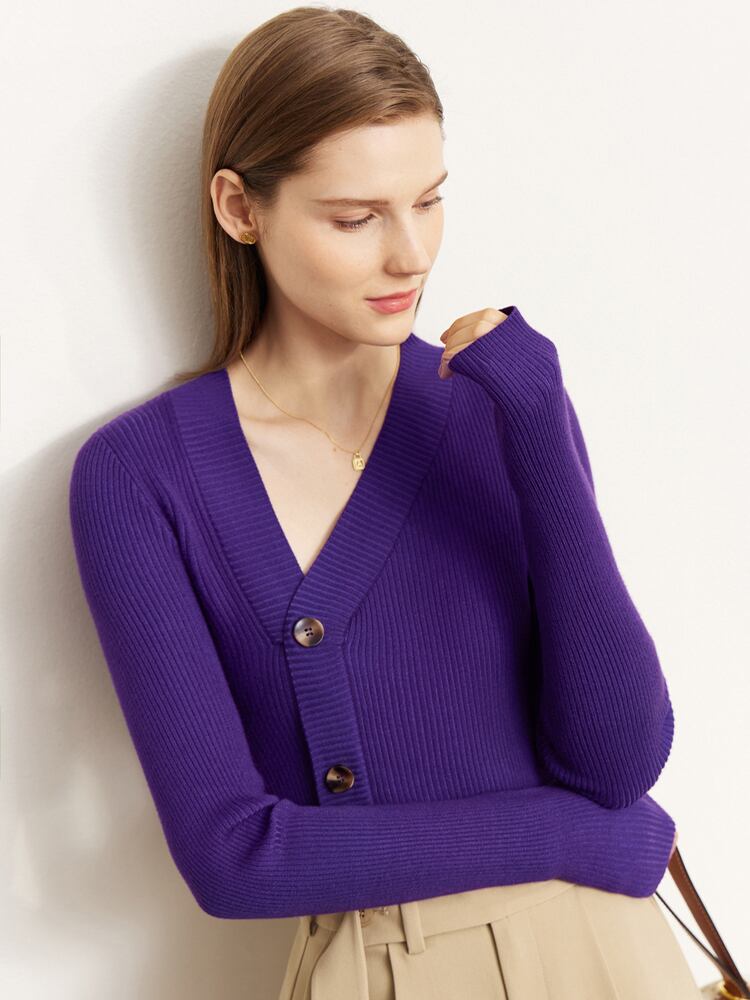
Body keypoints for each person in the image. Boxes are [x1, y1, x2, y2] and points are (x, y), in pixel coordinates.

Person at [68, 7, 700, 999]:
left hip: (604, 958)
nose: (411, 255)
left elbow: (617, 763)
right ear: (240, 208)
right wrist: (564, 833)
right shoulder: (139, 475)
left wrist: (541, 427)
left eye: (429, 201)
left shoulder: (499, 407)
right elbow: (235, 858)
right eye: (356, 217)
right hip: (377, 970)